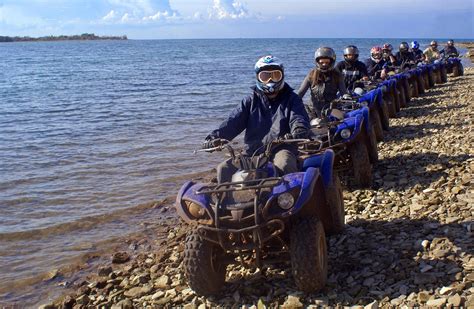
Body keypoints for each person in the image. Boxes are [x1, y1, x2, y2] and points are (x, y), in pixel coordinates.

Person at [202, 55, 311, 183]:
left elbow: (298, 118)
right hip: (252, 152)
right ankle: (227, 201)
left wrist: (298, 130)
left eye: (275, 75)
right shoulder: (250, 101)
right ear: (258, 77)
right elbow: (232, 122)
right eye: (265, 76)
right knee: (224, 168)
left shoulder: (292, 99)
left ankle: (290, 200)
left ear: (282, 76)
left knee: (285, 163)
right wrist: (214, 138)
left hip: (281, 149)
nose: (270, 80)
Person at [297, 47, 350, 118]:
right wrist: (291, 101)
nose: (324, 64)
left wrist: (346, 97)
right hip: (313, 111)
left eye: (327, 62)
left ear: (331, 62)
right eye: (322, 62)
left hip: (331, 110)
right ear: (317, 62)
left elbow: (343, 92)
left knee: (343, 124)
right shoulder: (311, 75)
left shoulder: (337, 75)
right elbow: (301, 92)